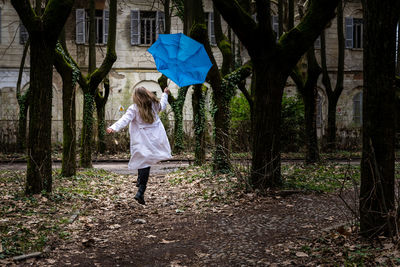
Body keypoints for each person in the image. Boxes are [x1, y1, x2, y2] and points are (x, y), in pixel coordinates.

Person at [106, 87, 172, 205]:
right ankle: (140, 189)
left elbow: (124, 120)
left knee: (143, 163)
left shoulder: (134, 108)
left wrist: (113, 127)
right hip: (153, 139)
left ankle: (140, 190)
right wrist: (165, 94)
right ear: (147, 94)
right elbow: (163, 105)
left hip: (141, 140)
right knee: (144, 163)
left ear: (136, 97)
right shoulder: (154, 105)